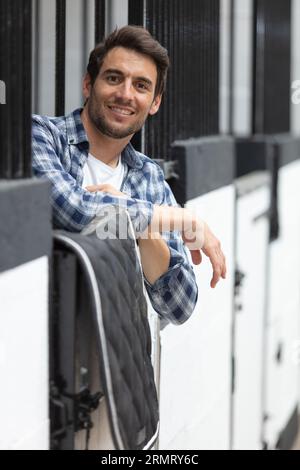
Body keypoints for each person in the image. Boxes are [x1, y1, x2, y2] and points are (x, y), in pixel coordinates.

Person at [32, 25, 226, 325]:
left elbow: (179, 305)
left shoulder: (148, 177)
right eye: (113, 78)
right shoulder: (42, 137)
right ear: (88, 84)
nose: (125, 94)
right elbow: (72, 210)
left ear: (155, 103)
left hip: (113, 365)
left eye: (141, 85)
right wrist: (182, 218)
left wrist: (143, 229)